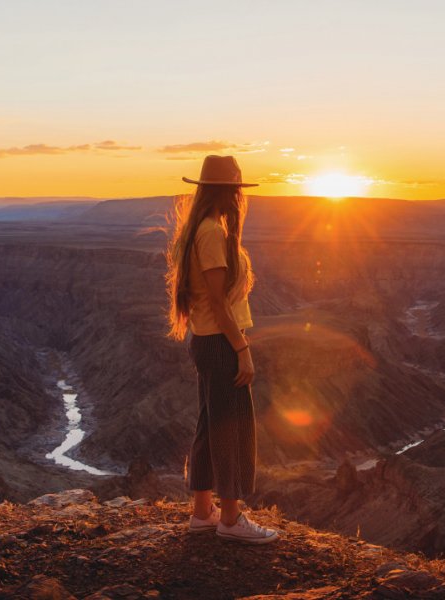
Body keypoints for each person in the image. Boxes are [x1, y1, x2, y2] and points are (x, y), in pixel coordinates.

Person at [165, 155, 279, 544]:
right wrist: (242, 349)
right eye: (236, 189)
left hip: (205, 339)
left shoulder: (196, 228)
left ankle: (202, 513)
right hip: (220, 342)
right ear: (227, 192)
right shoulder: (212, 232)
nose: (239, 198)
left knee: (208, 427)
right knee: (232, 430)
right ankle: (230, 520)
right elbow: (218, 301)